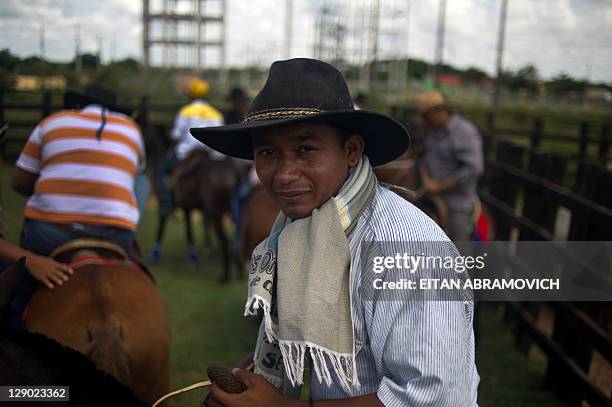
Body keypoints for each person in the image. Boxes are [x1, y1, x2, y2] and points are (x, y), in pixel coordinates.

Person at [192, 58, 479, 406]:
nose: (283, 174)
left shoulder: (405, 249)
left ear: (352, 151)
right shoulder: (301, 232)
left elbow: (433, 398)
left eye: (306, 149)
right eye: (268, 152)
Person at [9, 85, 145, 329]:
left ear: (77, 106)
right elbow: (134, 176)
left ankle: (12, 324)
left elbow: (19, 183)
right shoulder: (131, 128)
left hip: (50, 233)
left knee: (12, 286)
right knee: (142, 275)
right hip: (117, 234)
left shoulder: (51, 122)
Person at [153, 77, 224, 220]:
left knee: (160, 172)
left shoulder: (185, 111)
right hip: (211, 154)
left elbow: (176, 135)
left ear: (191, 95)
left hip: (187, 153)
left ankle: (168, 205)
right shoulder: (217, 113)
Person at [417, 90, 484, 242]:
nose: (424, 121)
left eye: (426, 117)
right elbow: (425, 156)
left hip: (456, 202)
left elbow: (474, 168)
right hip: (429, 195)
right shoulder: (432, 132)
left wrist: (439, 186)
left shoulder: (465, 132)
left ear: (439, 111)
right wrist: (425, 177)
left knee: (458, 247)